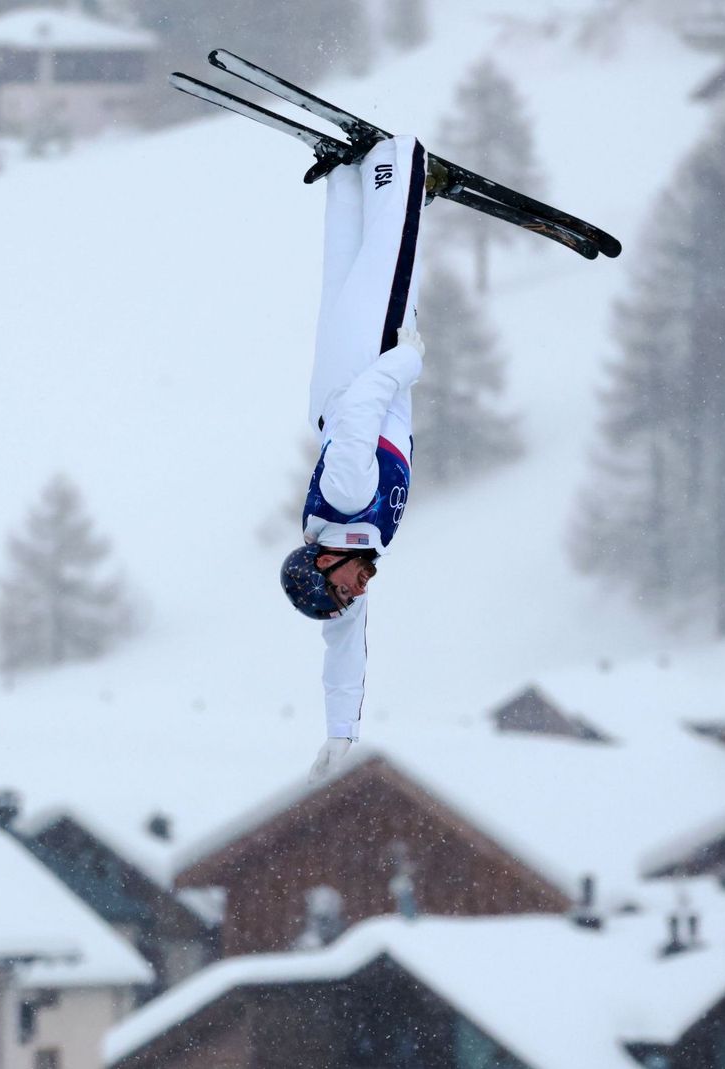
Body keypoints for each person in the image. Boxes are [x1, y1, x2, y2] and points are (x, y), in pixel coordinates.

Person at [279, 134, 429, 782]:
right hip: (337, 383)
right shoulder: (351, 544)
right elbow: (341, 655)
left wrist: (407, 360)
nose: (358, 592)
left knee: (391, 261)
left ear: (324, 561)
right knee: (345, 274)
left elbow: (365, 407)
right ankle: (346, 177)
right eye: (347, 599)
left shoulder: (344, 503)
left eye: (344, 590)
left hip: (363, 369)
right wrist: (340, 734)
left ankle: (399, 162)